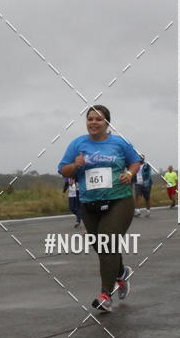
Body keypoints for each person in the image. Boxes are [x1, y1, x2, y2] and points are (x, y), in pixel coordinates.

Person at [58, 105, 140, 313]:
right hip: (89, 203)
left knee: (108, 242)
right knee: (102, 248)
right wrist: (75, 165)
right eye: (90, 119)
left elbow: (135, 162)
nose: (93, 122)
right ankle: (121, 273)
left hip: (119, 201)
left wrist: (129, 175)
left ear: (107, 123)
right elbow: (63, 169)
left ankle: (105, 295)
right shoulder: (77, 144)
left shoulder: (119, 143)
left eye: (99, 119)